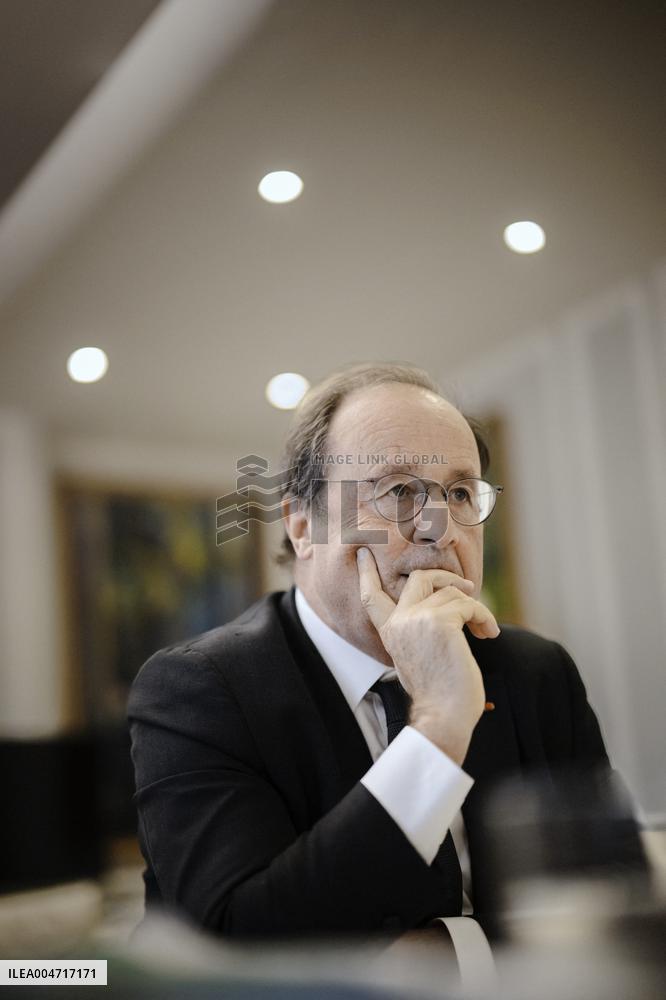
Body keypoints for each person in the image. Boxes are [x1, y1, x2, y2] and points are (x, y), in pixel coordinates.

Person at [127, 361, 613, 960]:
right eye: (398, 491)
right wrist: (437, 724)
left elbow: (609, 914)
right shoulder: (199, 689)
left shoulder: (537, 672)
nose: (439, 528)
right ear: (303, 527)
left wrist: (444, 957)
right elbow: (238, 948)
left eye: (461, 492)